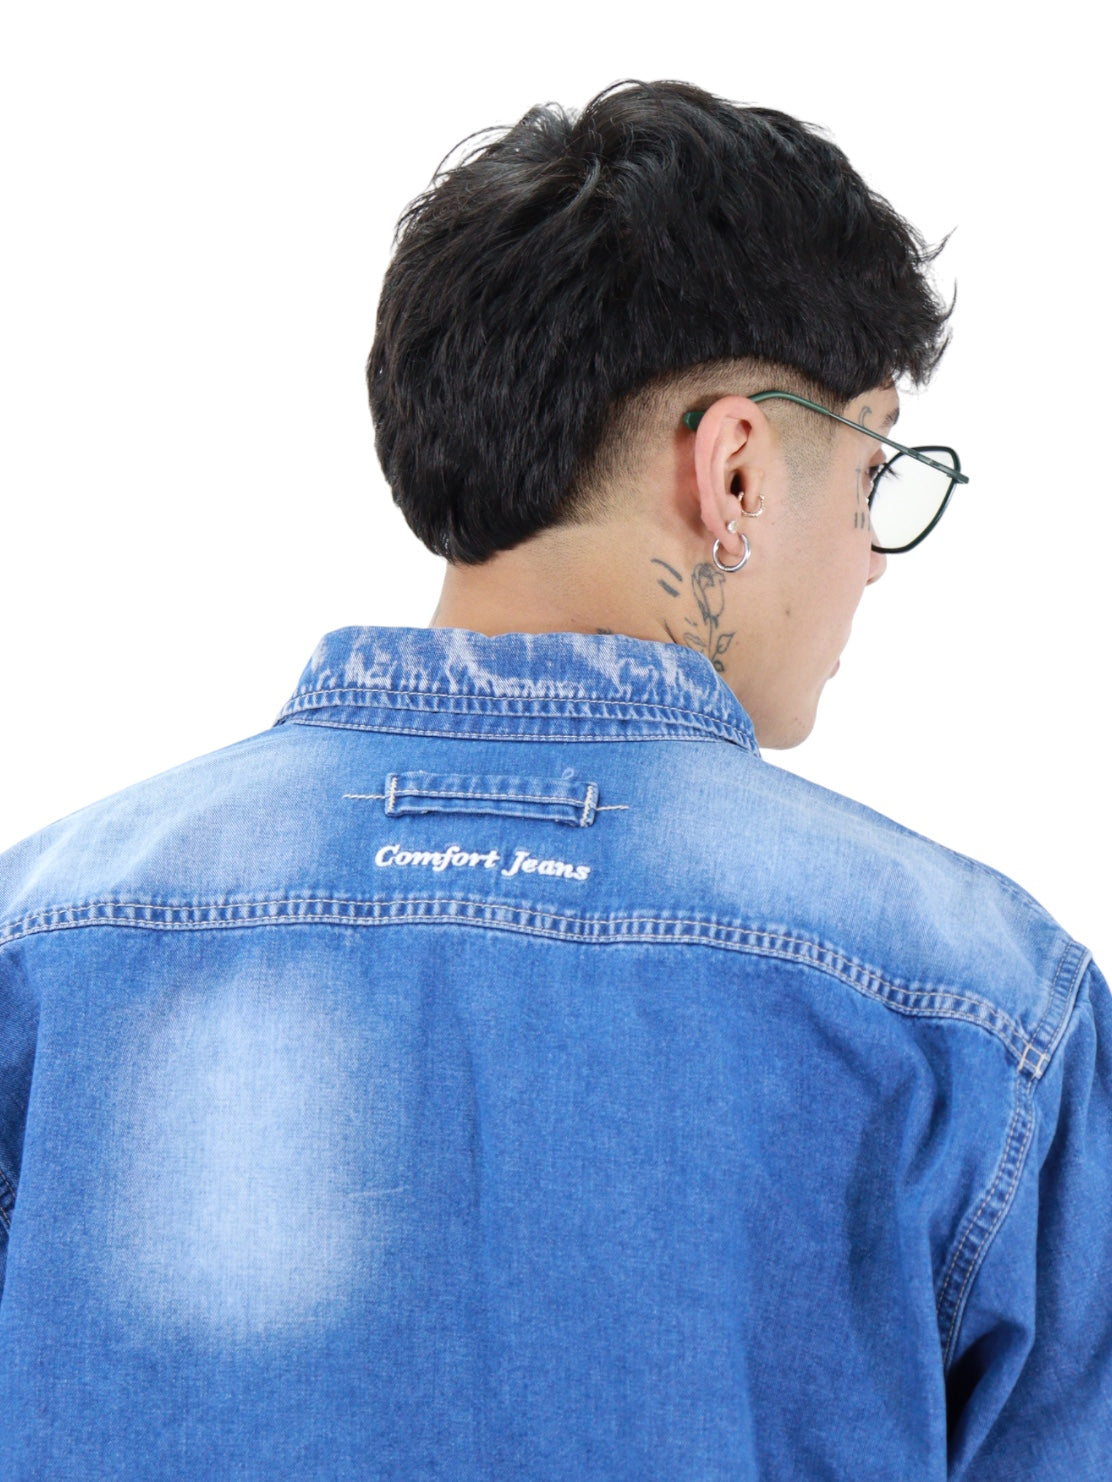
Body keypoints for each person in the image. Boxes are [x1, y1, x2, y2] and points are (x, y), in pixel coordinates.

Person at [0, 78, 1108, 1480]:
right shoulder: (977, 1003)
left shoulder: (43, 942)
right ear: (739, 468)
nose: (875, 558)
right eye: (875, 466)